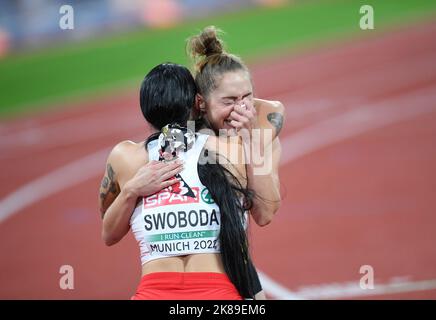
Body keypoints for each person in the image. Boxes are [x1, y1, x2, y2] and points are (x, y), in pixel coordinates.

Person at [99, 63, 258, 299]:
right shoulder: (229, 148)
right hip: (218, 293)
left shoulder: (125, 158)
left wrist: (131, 191)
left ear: (145, 109)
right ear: (197, 103)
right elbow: (264, 211)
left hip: (153, 293)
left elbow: (109, 234)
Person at [186, 26, 284, 299]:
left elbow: (264, 213)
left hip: (236, 269)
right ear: (201, 103)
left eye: (247, 97)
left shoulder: (261, 136)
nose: (241, 110)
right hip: (183, 277)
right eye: (229, 100)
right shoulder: (184, 136)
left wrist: (253, 143)